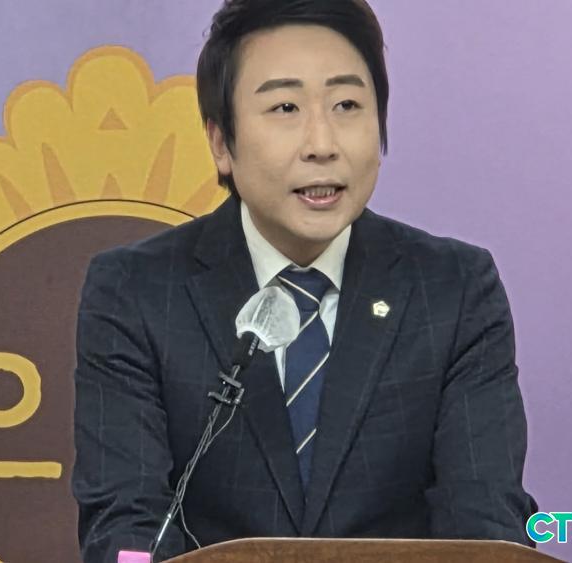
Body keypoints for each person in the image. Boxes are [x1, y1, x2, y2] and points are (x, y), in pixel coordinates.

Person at [71, 1, 538, 561]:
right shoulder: (135, 290)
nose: (322, 143)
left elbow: (486, 521)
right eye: (285, 107)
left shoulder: (454, 289)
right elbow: (125, 521)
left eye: (347, 105)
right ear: (221, 143)